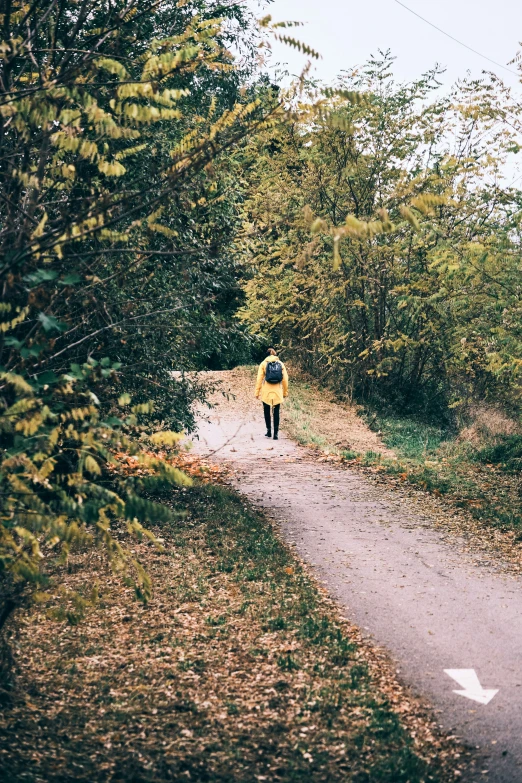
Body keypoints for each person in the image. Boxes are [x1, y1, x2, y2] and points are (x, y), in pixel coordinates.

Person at [255, 347, 289, 440]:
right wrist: (285, 392)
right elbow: (285, 379)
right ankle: (276, 434)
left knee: (266, 411)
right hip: (277, 391)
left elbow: (259, 379)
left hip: (266, 391)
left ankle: (269, 431)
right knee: (276, 412)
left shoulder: (263, 364)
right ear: (275, 354)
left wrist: (257, 392)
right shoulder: (281, 364)